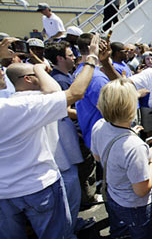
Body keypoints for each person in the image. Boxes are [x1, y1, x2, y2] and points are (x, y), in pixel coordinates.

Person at [0, 36, 98, 239]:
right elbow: (69, 92)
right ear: (28, 79)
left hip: (4, 193)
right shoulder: (21, 105)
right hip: (38, 186)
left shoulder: (13, 104)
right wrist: (91, 58)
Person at [92, 78, 152, 239]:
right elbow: (142, 190)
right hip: (135, 206)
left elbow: (97, 156)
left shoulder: (99, 125)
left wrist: (129, 134)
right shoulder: (135, 146)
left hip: (113, 197)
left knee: (119, 232)